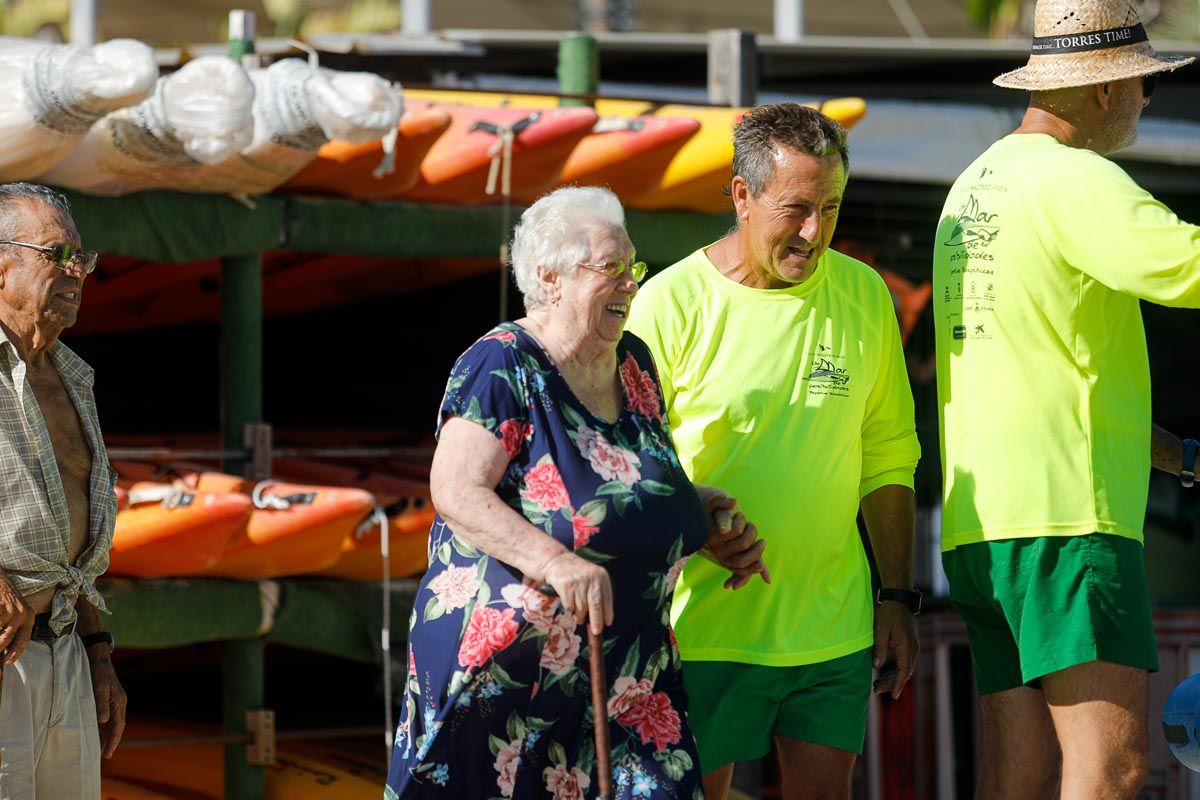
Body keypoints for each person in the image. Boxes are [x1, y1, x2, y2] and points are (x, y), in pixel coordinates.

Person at [385, 186, 768, 800]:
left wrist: (691, 514)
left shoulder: (634, 363)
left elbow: (616, 487)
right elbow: (455, 489)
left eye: (632, 268)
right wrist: (554, 563)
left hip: (631, 680)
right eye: (610, 269)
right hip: (509, 681)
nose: (629, 286)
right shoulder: (503, 364)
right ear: (550, 277)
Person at [932, 0, 1199, 797]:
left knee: (1017, 775)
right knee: (1110, 768)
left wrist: (1177, 456)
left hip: (984, 528)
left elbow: (1043, 366)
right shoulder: (1076, 177)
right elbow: (1190, 266)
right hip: (1068, 525)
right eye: (1145, 85)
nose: (1149, 103)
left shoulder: (973, 186)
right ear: (1109, 88)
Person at [626, 103, 922, 800]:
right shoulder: (668, 305)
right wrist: (695, 531)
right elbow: (625, 467)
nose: (815, 232)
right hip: (701, 631)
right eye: (796, 209)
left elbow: (888, 454)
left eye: (831, 207)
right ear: (741, 195)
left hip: (832, 630)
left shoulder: (865, 294)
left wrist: (898, 598)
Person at [0, 182, 126, 798]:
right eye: (57, 255)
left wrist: (98, 647)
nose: (78, 271)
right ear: (1, 265)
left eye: (84, 258)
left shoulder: (73, 375)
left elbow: (72, 532)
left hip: (66, 647)